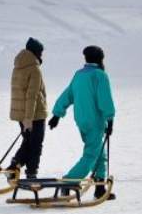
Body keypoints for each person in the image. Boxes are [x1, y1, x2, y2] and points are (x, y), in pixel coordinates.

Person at [49, 45, 116, 199]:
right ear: (100, 59)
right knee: (92, 154)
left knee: (99, 153)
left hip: (81, 120)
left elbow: (68, 94)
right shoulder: (99, 75)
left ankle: (99, 188)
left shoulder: (79, 75)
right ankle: (69, 180)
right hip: (95, 121)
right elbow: (104, 100)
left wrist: (57, 115)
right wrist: (110, 119)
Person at [8, 37, 47, 179]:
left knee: (28, 142)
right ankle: (31, 174)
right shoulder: (34, 69)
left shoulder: (18, 66)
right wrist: (29, 118)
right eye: (41, 52)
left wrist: (25, 117)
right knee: (36, 145)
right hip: (34, 114)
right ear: (36, 52)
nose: (42, 55)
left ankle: (14, 166)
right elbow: (32, 96)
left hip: (21, 113)